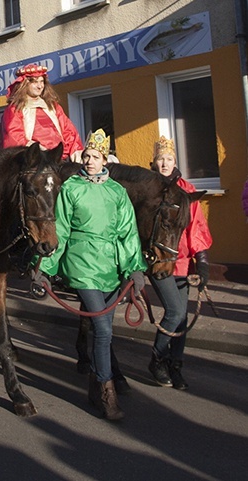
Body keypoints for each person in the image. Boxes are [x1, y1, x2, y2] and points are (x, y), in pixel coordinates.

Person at [36, 129, 146, 420]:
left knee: (103, 332)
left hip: (111, 265)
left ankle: (96, 386)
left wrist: (134, 269)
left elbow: (127, 233)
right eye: (86, 156)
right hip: (82, 262)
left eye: (95, 157)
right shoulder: (71, 188)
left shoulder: (117, 192)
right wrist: (45, 269)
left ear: (105, 159)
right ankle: (107, 392)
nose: (89, 161)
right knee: (104, 329)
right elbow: (61, 229)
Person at [147, 136, 213, 390]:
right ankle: (157, 358)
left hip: (183, 261)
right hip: (160, 260)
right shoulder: (149, 190)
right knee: (174, 311)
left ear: (175, 161)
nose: (164, 163)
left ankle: (176, 365)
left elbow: (196, 227)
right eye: (160, 159)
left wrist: (203, 262)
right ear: (154, 161)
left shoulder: (187, 189)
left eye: (169, 159)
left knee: (182, 318)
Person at [1, 64, 83, 162]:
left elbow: (68, 131)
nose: (40, 86)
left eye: (42, 82)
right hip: (33, 161)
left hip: (59, 159)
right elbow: (14, 137)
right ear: (24, 84)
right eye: (35, 82)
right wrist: (39, 149)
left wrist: (75, 152)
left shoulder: (53, 106)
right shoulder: (15, 109)